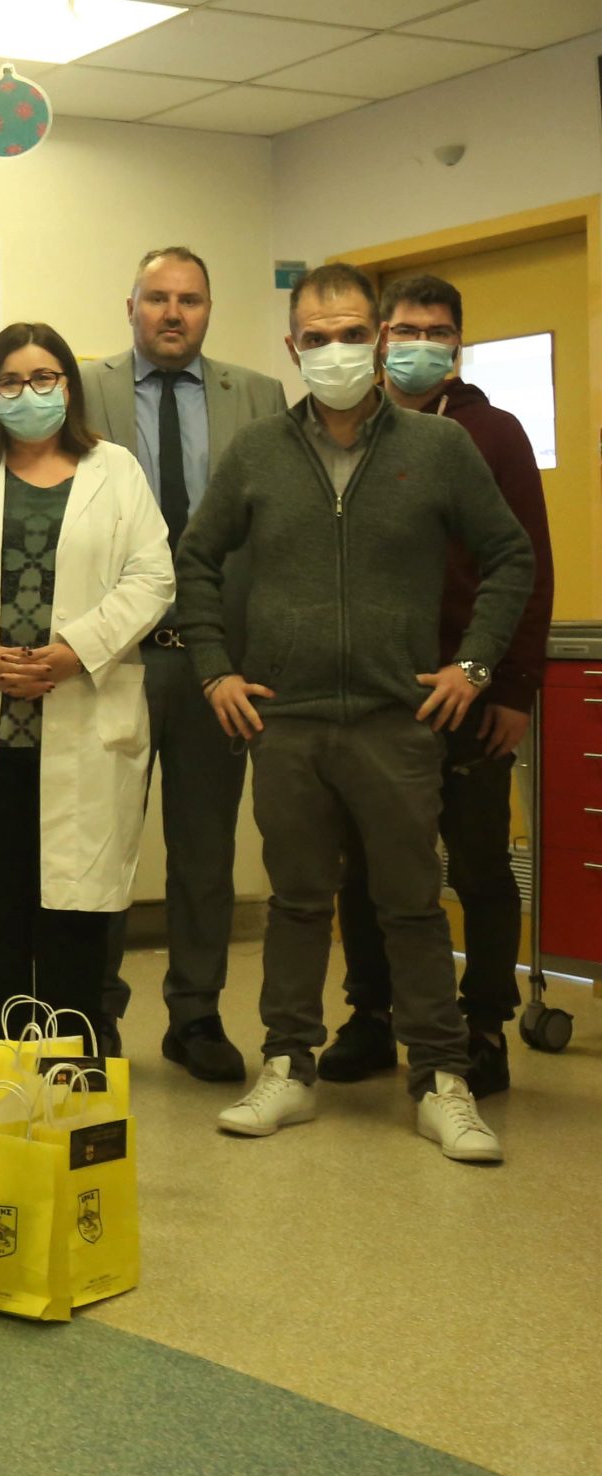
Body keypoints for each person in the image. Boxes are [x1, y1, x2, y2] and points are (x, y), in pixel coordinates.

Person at [180, 263, 531, 1163]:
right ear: (293, 345)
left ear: (377, 339)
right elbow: (197, 559)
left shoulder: (438, 447)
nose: (334, 350)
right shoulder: (257, 451)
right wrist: (216, 671)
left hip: (395, 719)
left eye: (350, 334)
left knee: (412, 904)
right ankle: (288, 1066)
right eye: (316, 337)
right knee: (297, 902)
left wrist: (474, 666)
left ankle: (442, 1079)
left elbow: (510, 556)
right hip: (286, 720)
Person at [0, 323, 172, 1037]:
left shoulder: (115, 470)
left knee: (74, 916)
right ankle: (1, 1061)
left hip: (80, 718)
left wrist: (79, 650)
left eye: (44, 377)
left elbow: (152, 576)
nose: (29, 393)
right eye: (11, 381)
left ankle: (74, 1064)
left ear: (69, 387)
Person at [328, 273, 554, 1098]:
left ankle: (483, 1024)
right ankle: (372, 1013)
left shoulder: (493, 434)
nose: (420, 344)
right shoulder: (350, 429)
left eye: (437, 331)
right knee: (366, 866)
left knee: (480, 866)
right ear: (379, 338)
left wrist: (510, 687)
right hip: (370, 693)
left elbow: (527, 563)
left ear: (458, 343)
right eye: (406, 329)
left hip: (468, 691)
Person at [85, 248, 287, 1074]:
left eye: (191, 300)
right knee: (99, 845)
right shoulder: (80, 388)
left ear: (209, 309)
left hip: (215, 664)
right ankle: (92, 1010)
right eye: (158, 298)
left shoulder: (259, 396)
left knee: (205, 852)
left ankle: (196, 1016)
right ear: (130, 304)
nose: (174, 313)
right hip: (111, 660)